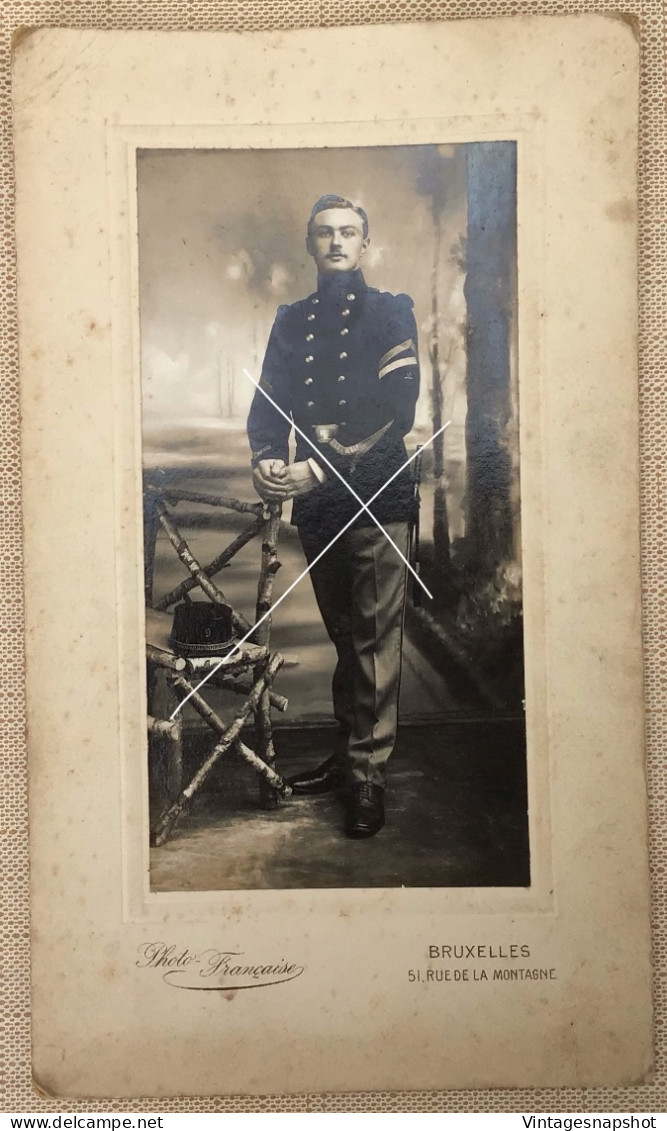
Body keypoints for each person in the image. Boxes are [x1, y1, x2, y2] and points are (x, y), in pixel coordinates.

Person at [247, 194, 420, 838]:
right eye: (325, 233)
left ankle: (369, 775)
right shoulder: (291, 321)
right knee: (347, 638)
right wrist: (266, 458)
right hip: (321, 509)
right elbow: (268, 402)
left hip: (378, 498)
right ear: (310, 244)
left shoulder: (391, 312)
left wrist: (317, 467)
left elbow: (395, 410)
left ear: (366, 243)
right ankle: (350, 759)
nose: (338, 242)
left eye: (349, 232)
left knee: (376, 643)